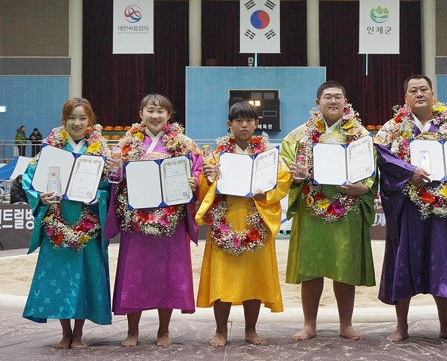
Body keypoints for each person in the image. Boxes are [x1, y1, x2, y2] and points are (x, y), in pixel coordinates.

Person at [374, 74, 447, 342]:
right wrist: (409, 172)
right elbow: (382, 156)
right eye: (414, 90)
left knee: (444, 264)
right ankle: (401, 327)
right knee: (403, 263)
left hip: (443, 210)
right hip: (408, 208)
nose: (419, 93)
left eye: (424, 89)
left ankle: (445, 326)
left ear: (433, 95)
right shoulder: (392, 127)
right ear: (406, 98)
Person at [280, 80, 377, 341]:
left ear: (346, 102)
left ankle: (346, 325)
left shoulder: (360, 136)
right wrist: (297, 178)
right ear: (317, 103)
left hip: (348, 210)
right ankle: (309, 324)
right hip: (312, 210)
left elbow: (371, 171)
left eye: (338, 97)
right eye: (327, 97)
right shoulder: (299, 135)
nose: (333, 101)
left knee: (344, 266)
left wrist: (363, 188)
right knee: (311, 268)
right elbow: (286, 167)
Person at [104, 93, 202, 347]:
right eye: (150, 110)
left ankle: (164, 331)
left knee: (167, 276)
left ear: (169, 116)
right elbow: (114, 180)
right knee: (134, 273)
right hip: (136, 222)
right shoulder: (127, 143)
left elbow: (198, 173)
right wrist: (114, 170)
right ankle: (132, 332)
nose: (155, 115)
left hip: (171, 223)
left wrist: (195, 183)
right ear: (141, 114)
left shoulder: (184, 144)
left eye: (161, 111)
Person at [196, 101, 291, 347]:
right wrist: (209, 178)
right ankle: (220, 331)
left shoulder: (269, 155)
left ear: (257, 124)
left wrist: (265, 194)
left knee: (254, 278)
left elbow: (282, 181)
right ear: (230, 125)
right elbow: (204, 188)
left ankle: (251, 330)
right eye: (239, 120)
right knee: (222, 278)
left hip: (255, 221)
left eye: (249, 120)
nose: (244, 124)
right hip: (226, 222)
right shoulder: (217, 155)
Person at [22, 97, 112, 348]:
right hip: (57, 223)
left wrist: (99, 197)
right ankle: (64, 332)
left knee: (84, 276)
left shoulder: (99, 151)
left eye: (83, 117)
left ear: (90, 121)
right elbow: (30, 180)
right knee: (60, 278)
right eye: (72, 117)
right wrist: (40, 195)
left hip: (87, 223)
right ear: (64, 121)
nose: (77, 122)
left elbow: (108, 189)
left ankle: (79, 333)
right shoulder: (50, 150)